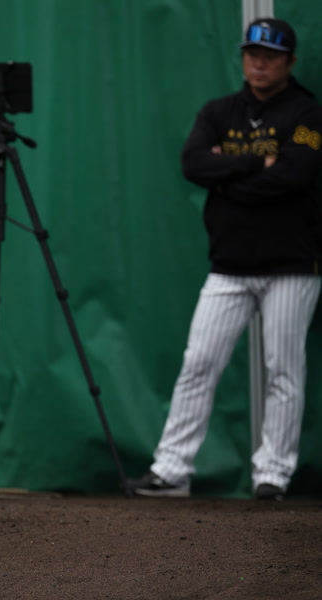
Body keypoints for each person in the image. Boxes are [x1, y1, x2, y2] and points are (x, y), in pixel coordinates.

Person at [130, 18, 322, 501]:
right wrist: (257, 162)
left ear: (290, 62)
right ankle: (172, 470)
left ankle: (273, 474)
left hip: (291, 265)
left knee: (284, 370)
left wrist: (227, 178)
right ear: (242, 57)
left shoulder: (307, 114)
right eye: (253, 54)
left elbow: (295, 176)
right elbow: (193, 163)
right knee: (198, 363)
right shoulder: (218, 111)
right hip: (229, 265)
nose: (260, 63)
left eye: (271, 56)